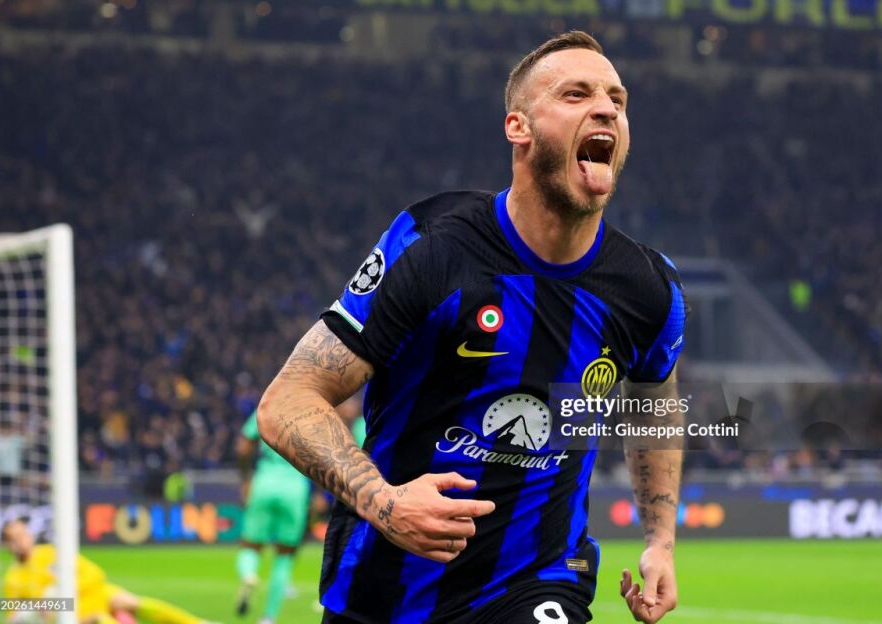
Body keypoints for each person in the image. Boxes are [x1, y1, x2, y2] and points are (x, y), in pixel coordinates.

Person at [257, 31, 685, 624]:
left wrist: (660, 541)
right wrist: (384, 502)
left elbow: (653, 405)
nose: (607, 108)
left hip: (537, 584)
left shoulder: (647, 290)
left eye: (617, 99)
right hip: (385, 593)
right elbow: (287, 401)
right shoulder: (433, 247)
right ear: (518, 128)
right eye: (576, 94)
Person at [1, 520, 213, 624]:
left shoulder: (50, 553)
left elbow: (94, 573)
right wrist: (39, 609)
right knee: (98, 619)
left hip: (93, 594)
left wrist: (69, 590)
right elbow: (13, 616)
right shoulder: (13, 579)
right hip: (70, 615)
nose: (22, 540)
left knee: (132, 602)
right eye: (15, 538)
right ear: (8, 545)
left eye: (23, 533)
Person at [234, 409, 313, 623]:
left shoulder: (268, 406)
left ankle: (249, 575)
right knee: (284, 556)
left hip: (265, 481)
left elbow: (243, 448)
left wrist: (245, 480)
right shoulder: (311, 410)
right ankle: (268, 617)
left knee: (251, 546)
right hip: (295, 486)